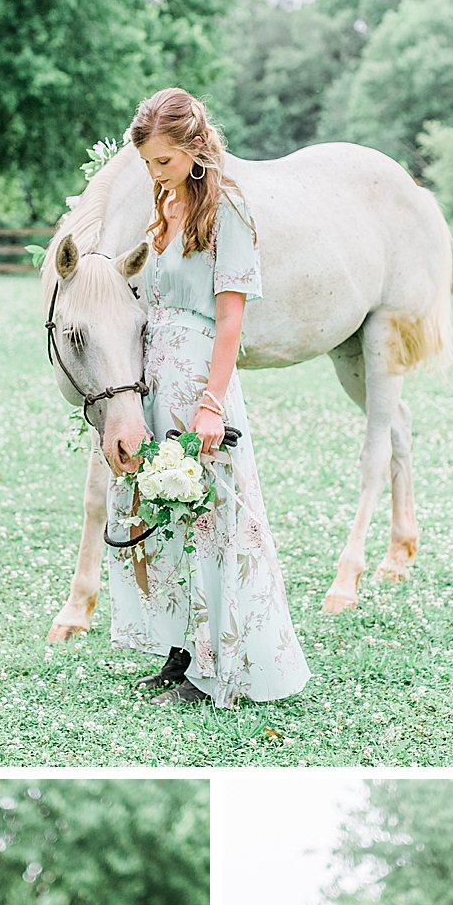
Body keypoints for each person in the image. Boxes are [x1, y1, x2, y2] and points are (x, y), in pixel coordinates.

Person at [105, 86, 311, 710]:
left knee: (209, 518)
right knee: (162, 514)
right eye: (146, 164)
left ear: (194, 150)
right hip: (154, 378)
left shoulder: (230, 215)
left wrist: (212, 403)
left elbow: (230, 323)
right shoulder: (162, 203)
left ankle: (216, 663)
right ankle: (178, 649)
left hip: (199, 381)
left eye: (162, 162)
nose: (154, 174)